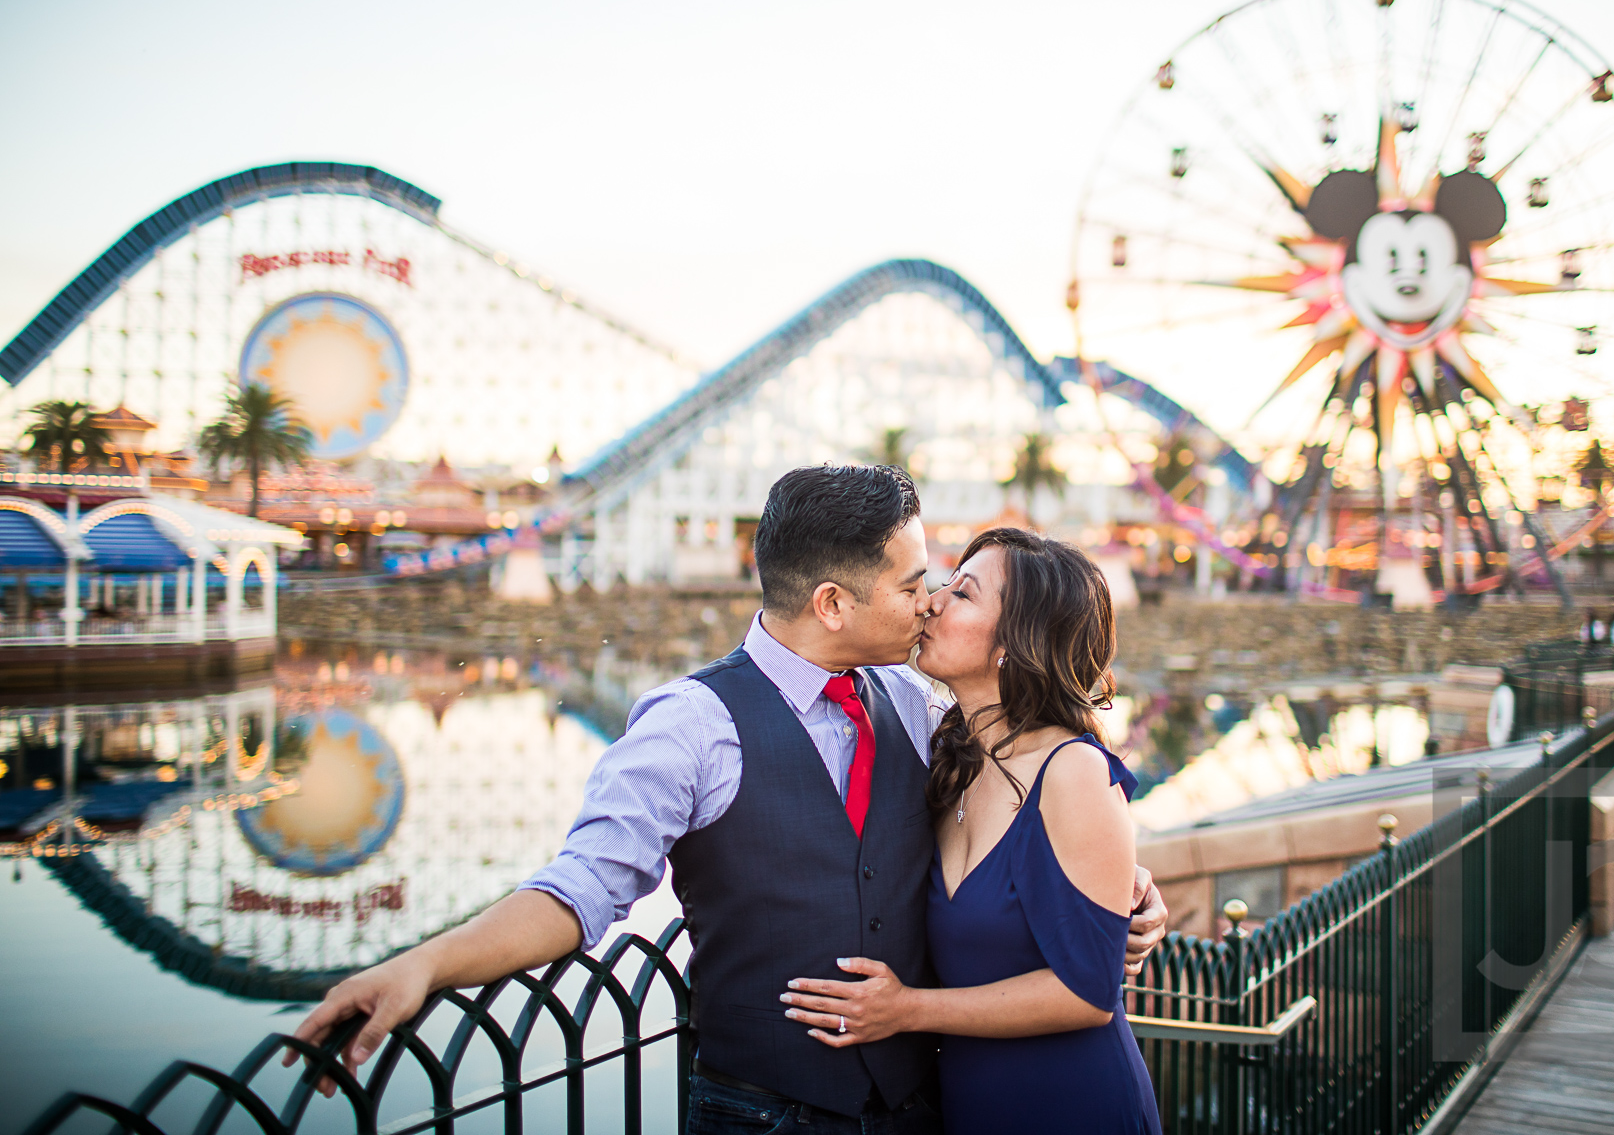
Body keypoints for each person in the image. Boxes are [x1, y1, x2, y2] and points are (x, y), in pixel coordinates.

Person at [287, 465, 1168, 1132]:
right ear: (832, 603)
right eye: (912, 586)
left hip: (919, 1101)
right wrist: (425, 963)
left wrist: (1127, 892)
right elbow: (583, 886)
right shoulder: (690, 725)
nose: (930, 602)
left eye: (942, 584)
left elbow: (1041, 796)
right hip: (762, 1113)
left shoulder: (916, 701)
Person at [780, 528, 1159, 1134]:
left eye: (963, 593)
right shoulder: (952, 760)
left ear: (1015, 641)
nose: (931, 600)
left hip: (1072, 1105)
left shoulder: (1074, 771)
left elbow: (1088, 994)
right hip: (970, 1105)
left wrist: (905, 1010)